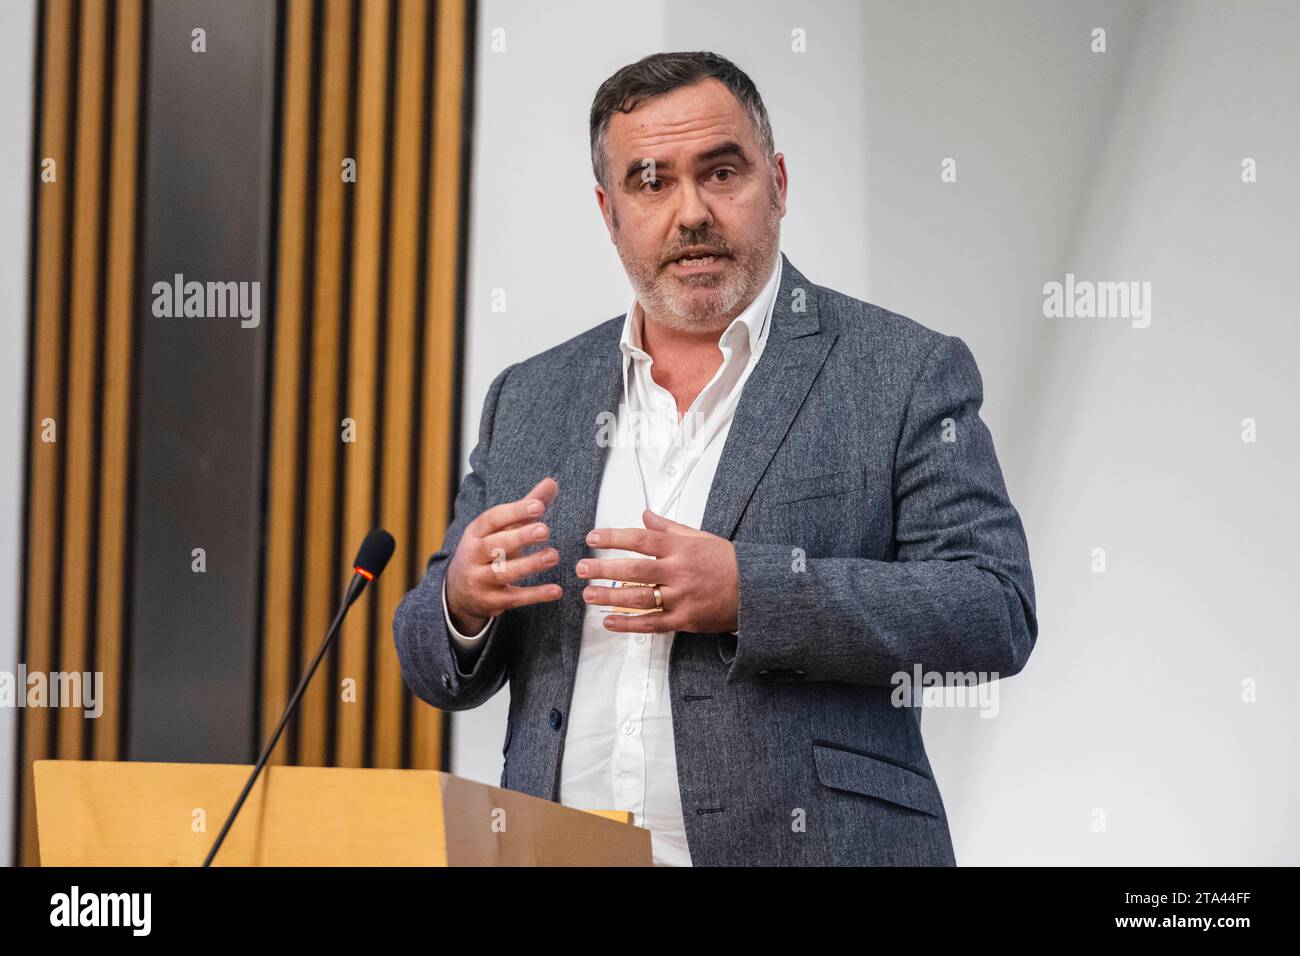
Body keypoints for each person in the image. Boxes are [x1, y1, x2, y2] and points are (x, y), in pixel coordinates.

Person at [393, 51, 1037, 866]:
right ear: (610, 211)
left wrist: (750, 591)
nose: (691, 211)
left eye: (721, 172)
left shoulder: (901, 371)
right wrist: (461, 600)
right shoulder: (531, 396)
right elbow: (430, 659)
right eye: (651, 182)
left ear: (778, 183)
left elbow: (993, 609)